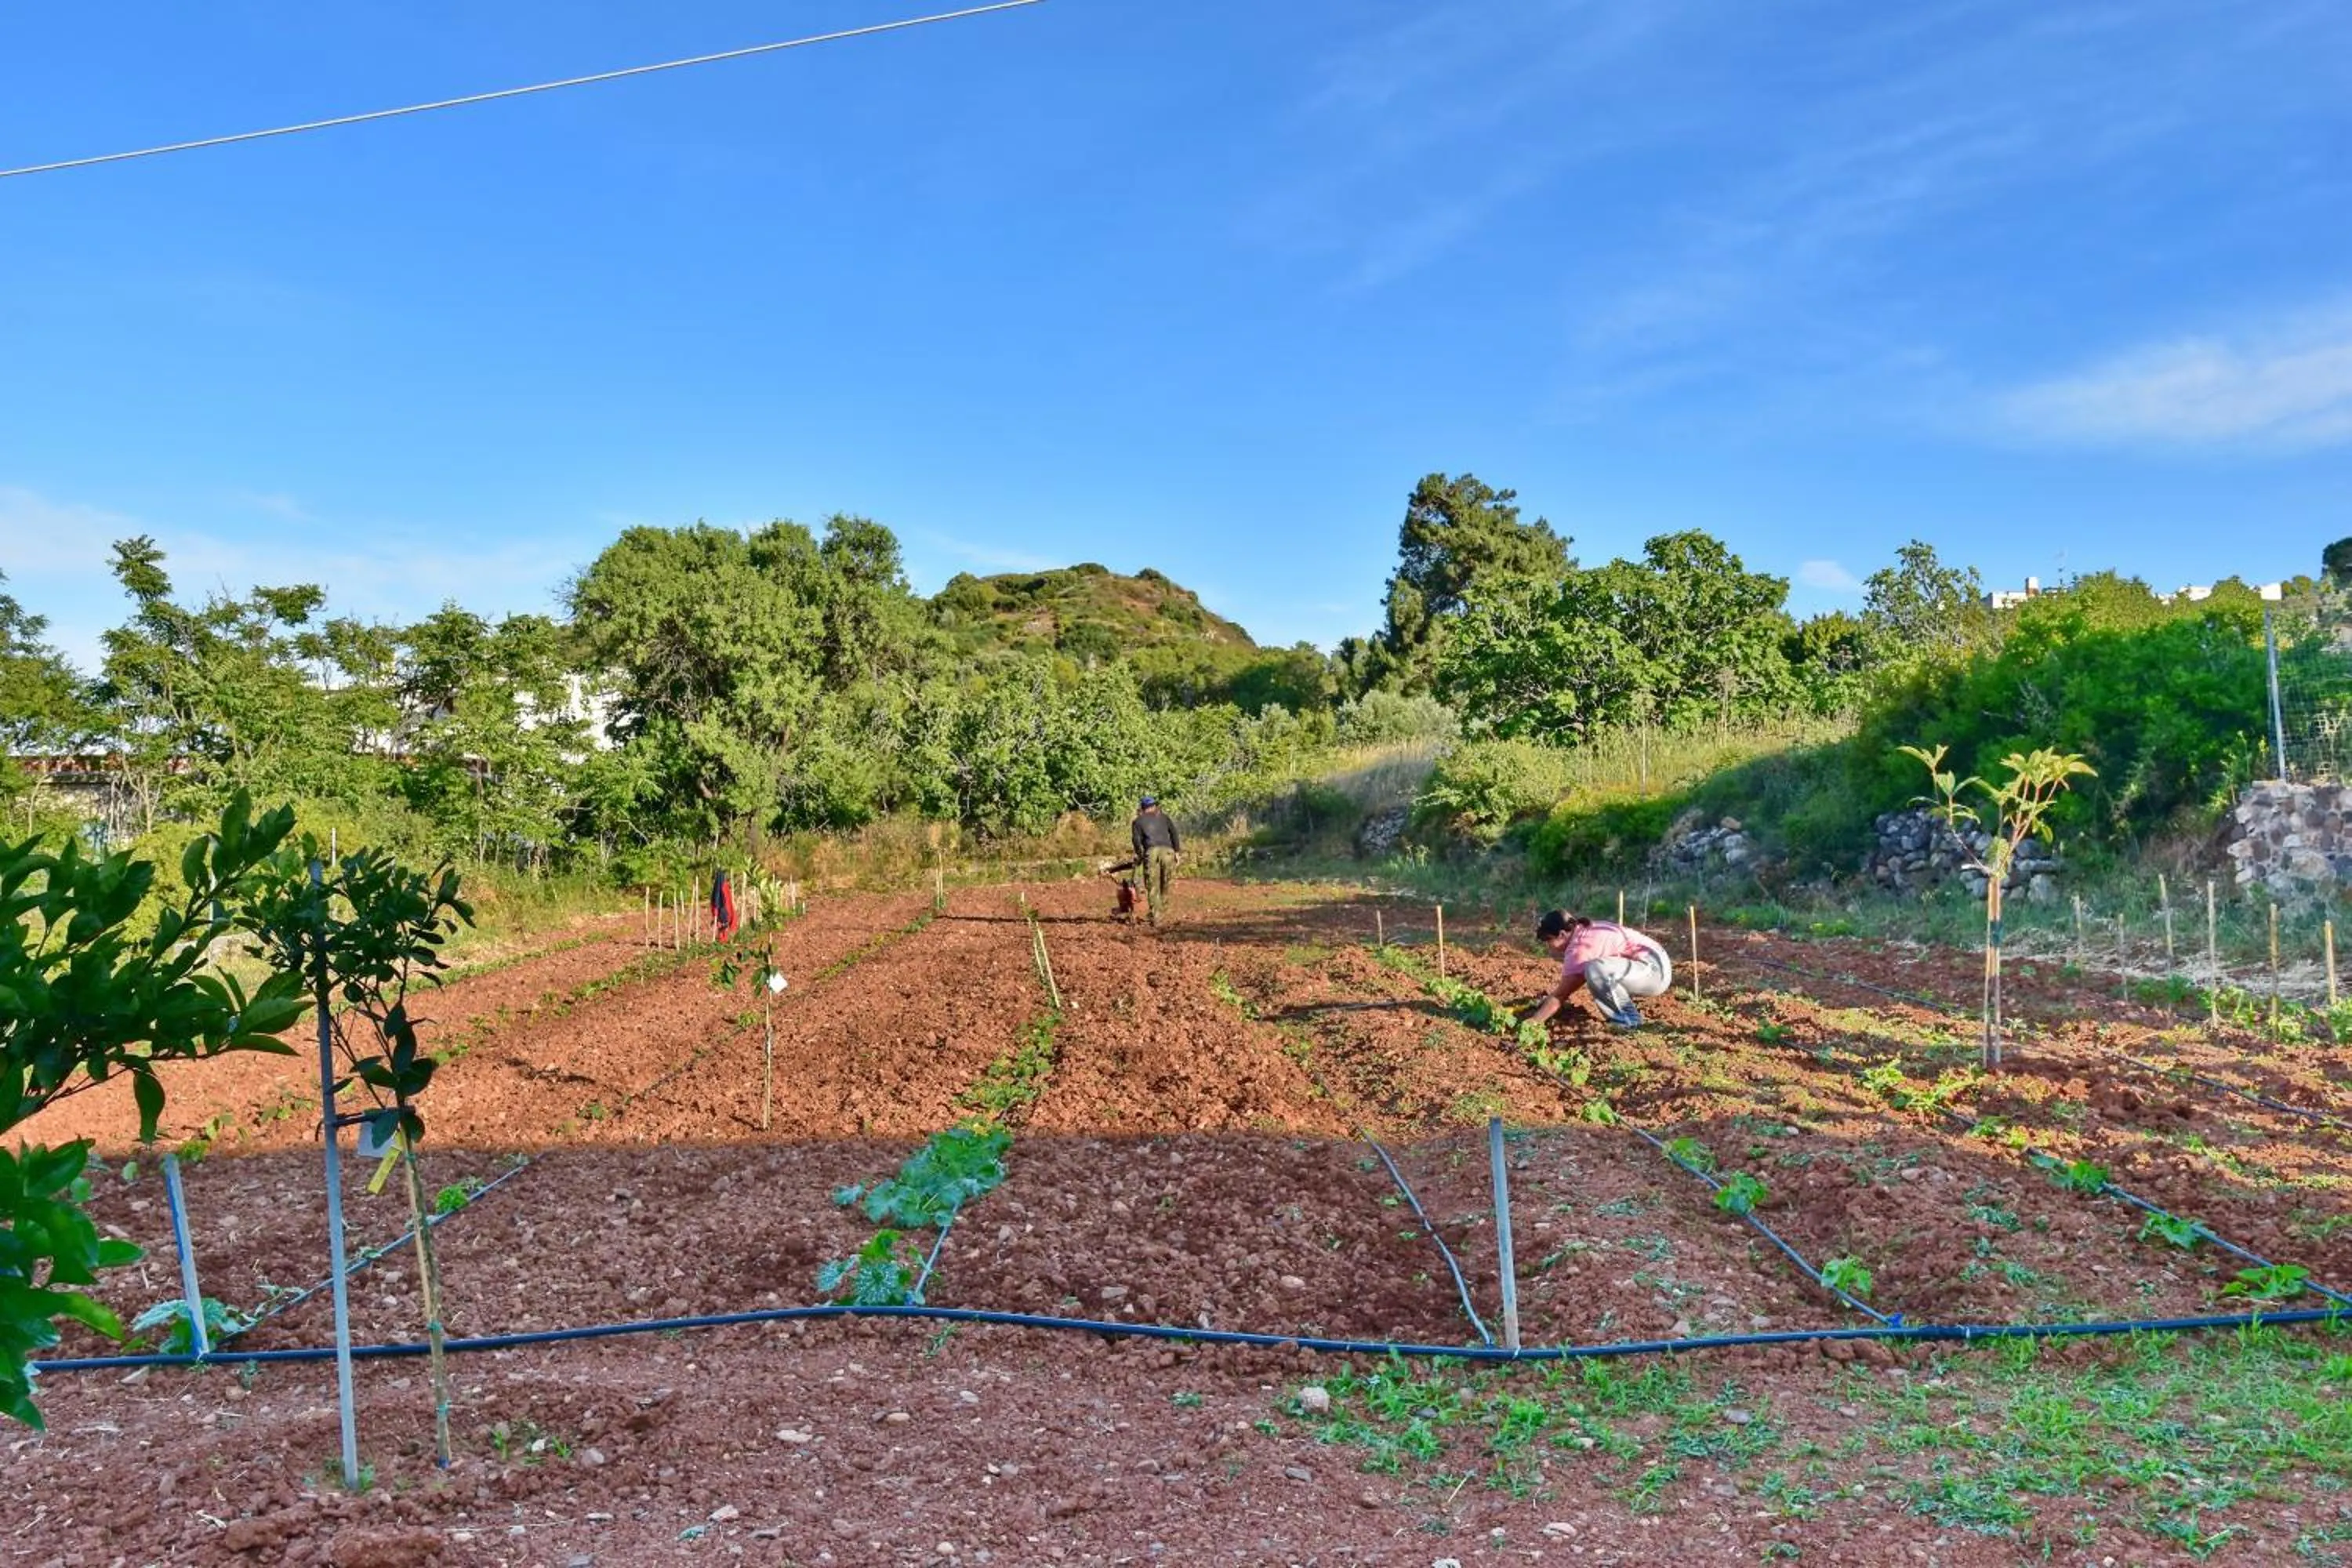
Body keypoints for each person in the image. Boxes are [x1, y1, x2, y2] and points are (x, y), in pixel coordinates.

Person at [1519, 908, 1671, 1029]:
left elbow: (1561, 995)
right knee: (1601, 970)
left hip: (1654, 972)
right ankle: (1626, 1014)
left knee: (1596, 970)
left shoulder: (1579, 949)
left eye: (1548, 940)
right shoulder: (1584, 929)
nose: (1548, 946)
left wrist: (1535, 1021)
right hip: (1652, 965)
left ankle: (1628, 1022)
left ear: (1562, 934)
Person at [1130, 794, 1181, 926]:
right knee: (1166, 883)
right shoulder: (1164, 817)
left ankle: (1156, 916)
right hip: (1168, 851)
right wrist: (1177, 852)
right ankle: (1162, 911)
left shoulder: (1138, 822)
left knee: (1152, 885)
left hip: (1151, 851)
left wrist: (1140, 855)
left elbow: (1136, 841)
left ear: (1142, 808)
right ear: (1154, 806)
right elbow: (1174, 833)